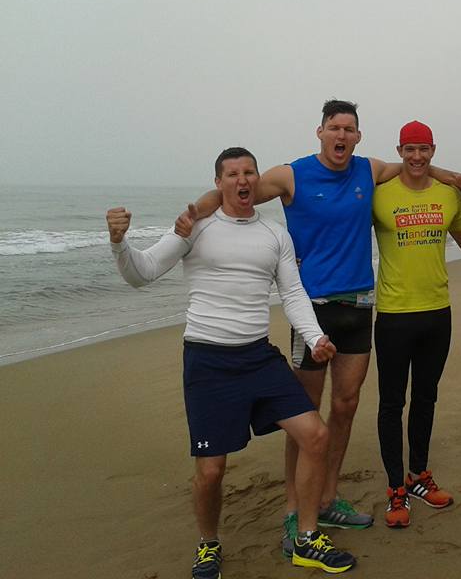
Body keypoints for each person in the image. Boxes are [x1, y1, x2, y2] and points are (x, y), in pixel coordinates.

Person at [107, 147, 355, 577]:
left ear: (257, 180)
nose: (242, 180)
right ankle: (208, 545)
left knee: (315, 436)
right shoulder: (196, 226)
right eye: (233, 174)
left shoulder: (275, 234)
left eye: (249, 173)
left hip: (258, 356)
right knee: (211, 470)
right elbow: (141, 273)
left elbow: (292, 293)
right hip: (208, 360)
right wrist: (118, 242)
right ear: (218, 182)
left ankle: (306, 537)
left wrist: (316, 337)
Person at [175, 100, 400, 552]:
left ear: (358, 136)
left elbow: (414, 165)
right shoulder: (291, 175)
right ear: (320, 131)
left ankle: (329, 497)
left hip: (360, 304)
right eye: (334, 127)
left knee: (346, 405)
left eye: (349, 129)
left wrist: (459, 176)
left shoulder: (369, 169)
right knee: (306, 414)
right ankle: (295, 510)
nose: (341, 135)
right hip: (312, 308)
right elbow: (235, 192)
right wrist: (193, 213)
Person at [372, 120, 461, 528]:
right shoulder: (380, 194)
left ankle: (418, 475)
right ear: (399, 151)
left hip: (436, 311)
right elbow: (341, 229)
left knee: (426, 397)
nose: (417, 157)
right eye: (410, 149)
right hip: (393, 313)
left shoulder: (449, 195)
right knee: (391, 402)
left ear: (433, 151)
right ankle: (395, 487)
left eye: (423, 149)